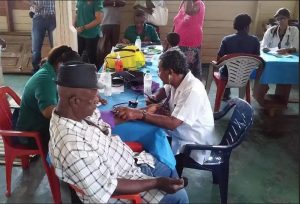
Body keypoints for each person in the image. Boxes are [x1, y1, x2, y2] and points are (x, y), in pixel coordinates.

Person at [48, 62, 189, 203]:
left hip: (131, 162)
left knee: (170, 169)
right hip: (124, 185)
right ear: (75, 101)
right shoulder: (72, 146)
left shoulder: (74, 114)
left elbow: (103, 119)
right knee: (180, 198)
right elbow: (109, 186)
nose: (98, 101)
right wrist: (157, 182)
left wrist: (137, 112)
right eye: (93, 100)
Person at [113, 50, 215, 176]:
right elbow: (165, 89)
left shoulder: (192, 90)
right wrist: (155, 98)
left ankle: (163, 176)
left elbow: (173, 123)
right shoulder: (178, 79)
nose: (158, 73)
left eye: (160, 70)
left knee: (148, 142)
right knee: (147, 130)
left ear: (170, 72)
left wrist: (140, 114)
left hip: (193, 141)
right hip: (181, 133)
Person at [15, 46, 81, 149]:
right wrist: (74, 112)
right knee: (76, 137)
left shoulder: (52, 71)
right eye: (71, 68)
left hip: (42, 125)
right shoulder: (45, 79)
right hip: (32, 134)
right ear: (60, 64)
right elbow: (48, 112)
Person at [254, 8, 299, 108]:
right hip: (272, 59)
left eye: (282, 18)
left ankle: (282, 97)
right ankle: (261, 94)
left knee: (287, 75)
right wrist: (265, 48)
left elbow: (296, 47)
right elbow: (263, 45)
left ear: (288, 18)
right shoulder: (271, 30)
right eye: (278, 19)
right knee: (263, 70)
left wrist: (286, 50)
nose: (280, 21)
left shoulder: (294, 30)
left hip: (287, 59)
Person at [217, 13, 260, 101]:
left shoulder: (227, 40)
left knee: (225, 68)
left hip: (228, 75)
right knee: (236, 69)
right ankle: (244, 98)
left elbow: (219, 59)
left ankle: (225, 93)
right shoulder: (255, 41)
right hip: (245, 75)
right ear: (246, 26)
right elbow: (257, 58)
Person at [173, 0, 205, 80]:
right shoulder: (184, 3)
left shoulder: (199, 4)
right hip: (178, 42)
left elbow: (189, 11)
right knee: (179, 71)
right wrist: (170, 36)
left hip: (190, 44)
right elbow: (177, 21)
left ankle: (191, 91)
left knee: (188, 74)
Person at [28, 0, 56, 73]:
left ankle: (55, 69)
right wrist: (33, 4)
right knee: (36, 49)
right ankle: (36, 70)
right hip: (38, 18)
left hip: (53, 18)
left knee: (55, 46)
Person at [74, 0, 103, 68]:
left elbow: (99, 19)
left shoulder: (97, 1)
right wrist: (73, 27)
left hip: (92, 35)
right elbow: (77, 13)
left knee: (92, 59)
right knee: (77, 57)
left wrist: (83, 28)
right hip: (79, 33)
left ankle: (95, 76)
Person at [97, 0, 126, 67]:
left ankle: (114, 65)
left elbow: (123, 3)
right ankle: (102, 66)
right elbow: (100, 3)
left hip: (116, 22)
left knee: (115, 47)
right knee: (102, 48)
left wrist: (111, 3)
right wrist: (114, 3)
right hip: (104, 22)